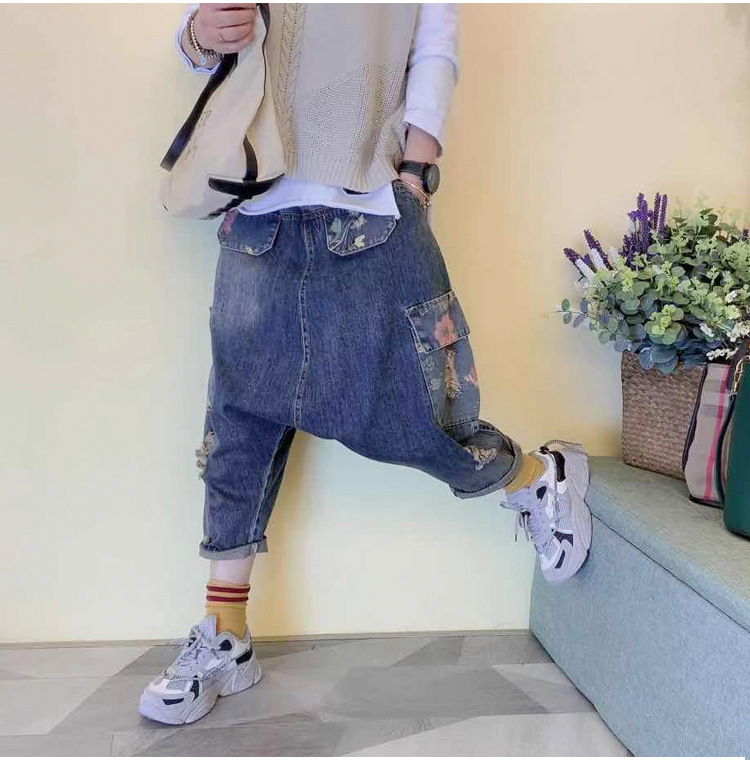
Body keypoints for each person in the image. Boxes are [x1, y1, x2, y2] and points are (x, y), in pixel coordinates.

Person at [139, 2, 592, 726]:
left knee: (410, 415)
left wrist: (417, 171)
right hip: (255, 208)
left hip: (371, 205)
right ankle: (226, 634)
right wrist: (198, 34)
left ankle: (536, 478)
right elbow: (209, 46)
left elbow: (435, 46)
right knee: (237, 430)